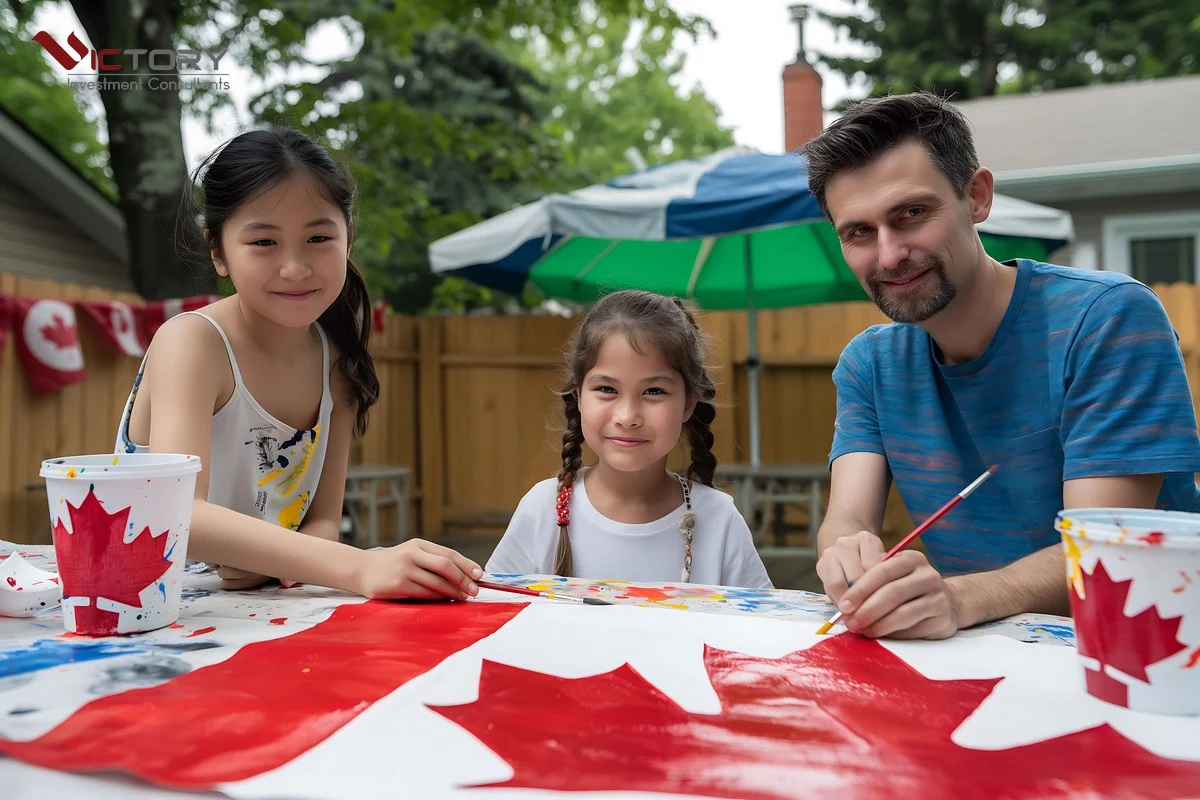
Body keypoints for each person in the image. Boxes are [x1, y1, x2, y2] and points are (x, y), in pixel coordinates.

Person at [802, 91, 1200, 639]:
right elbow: (846, 517)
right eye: (859, 232)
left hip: (1152, 649)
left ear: (977, 197)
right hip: (986, 655)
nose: (889, 255)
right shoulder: (869, 364)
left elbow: (1102, 549)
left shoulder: (1107, 318)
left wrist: (960, 597)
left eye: (911, 214)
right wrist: (845, 553)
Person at [116, 127, 482, 601]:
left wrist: (276, 564)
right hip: (142, 603)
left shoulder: (339, 364)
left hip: (267, 614)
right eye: (264, 242)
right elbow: (177, 511)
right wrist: (359, 567)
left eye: (318, 237)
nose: (295, 267)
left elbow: (323, 520)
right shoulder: (193, 343)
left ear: (348, 240)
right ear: (218, 252)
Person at [486, 290, 772, 588]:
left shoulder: (719, 519)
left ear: (689, 403)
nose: (627, 416)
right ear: (578, 396)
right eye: (607, 389)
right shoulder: (542, 508)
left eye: (654, 391)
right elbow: (493, 606)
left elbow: (762, 615)